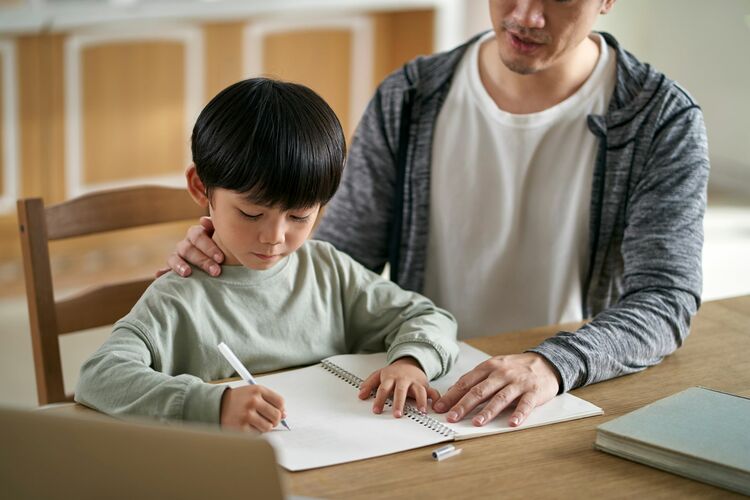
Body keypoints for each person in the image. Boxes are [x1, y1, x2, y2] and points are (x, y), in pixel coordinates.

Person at [163, 0, 709, 429]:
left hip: (563, 397)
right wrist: (235, 258)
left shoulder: (661, 120)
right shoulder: (411, 97)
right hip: (420, 394)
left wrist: (553, 364)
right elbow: (338, 267)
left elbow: (666, 297)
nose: (525, 14)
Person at [75, 78, 459, 432]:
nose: (274, 237)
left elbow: (428, 317)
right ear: (199, 187)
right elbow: (98, 377)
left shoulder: (328, 271)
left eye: (299, 216)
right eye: (251, 214)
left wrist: (411, 363)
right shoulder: (179, 297)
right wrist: (212, 404)